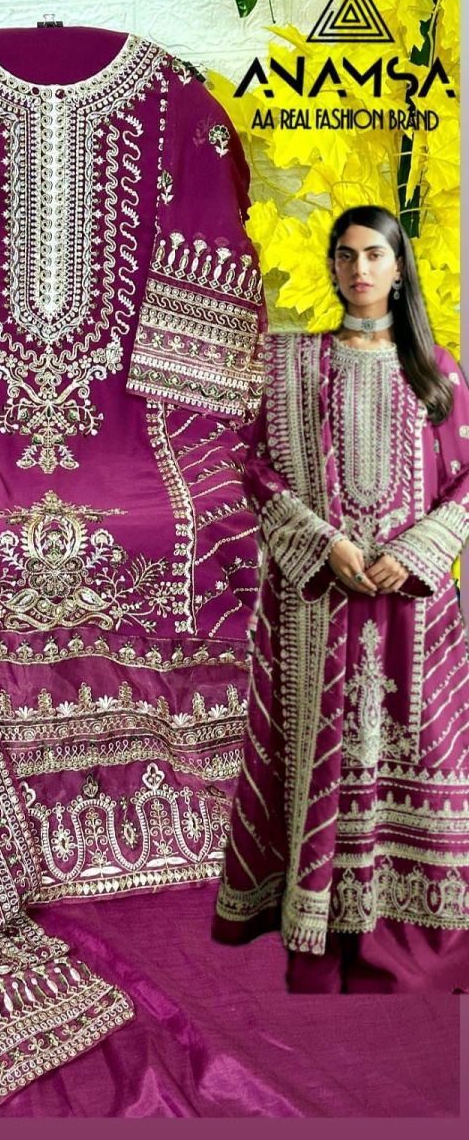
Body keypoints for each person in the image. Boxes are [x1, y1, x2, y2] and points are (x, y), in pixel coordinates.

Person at [212, 204, 469, 992]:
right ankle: (319, 931)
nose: (361, 269)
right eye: (348, 255)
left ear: (399, 267)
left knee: (420, 749)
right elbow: (257, 469)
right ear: (332, 266)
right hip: (318, 604)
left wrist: (414, 553)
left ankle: (412, 938)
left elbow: (466, 481)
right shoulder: (296, 364)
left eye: (375, 255)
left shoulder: (438, 371)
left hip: (410, 606)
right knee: (317, 755)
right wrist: (328, 546)